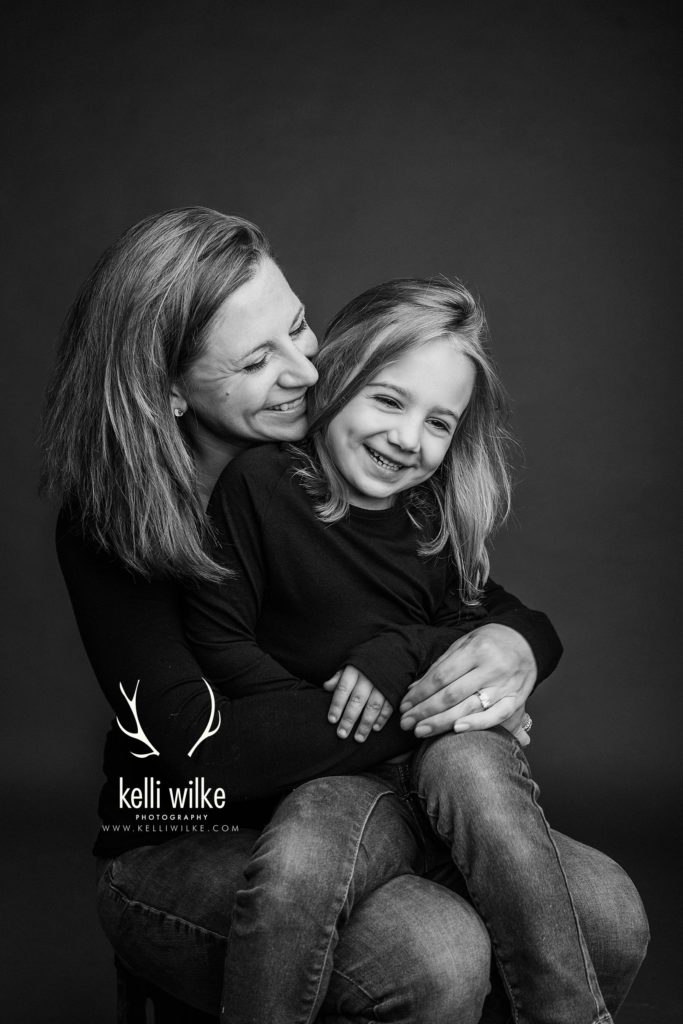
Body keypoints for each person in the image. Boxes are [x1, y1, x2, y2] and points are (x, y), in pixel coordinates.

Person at [41, 207, 647, 1021]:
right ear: (171, 390)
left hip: (366, 801)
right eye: (259, 359)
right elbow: (196, 758)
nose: (303, 369)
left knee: (607, 916)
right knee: (436, 954)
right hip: (191, 826)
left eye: (298, 328)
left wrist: (515, 644)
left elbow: (455, 598)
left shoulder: (314, 463)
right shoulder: (114, 521)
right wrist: (433, 702)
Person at [184, 276, 648, 1023]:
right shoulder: (263, 486)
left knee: (474, 762)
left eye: (439, 423)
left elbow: (490, 619)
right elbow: (221, 646)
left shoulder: (428, 517)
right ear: (336, 379)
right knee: (300, 865)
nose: (407, 439)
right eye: (389, 401)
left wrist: (408, 651)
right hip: (327, 777)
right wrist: (360, 705)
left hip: (436, 780)